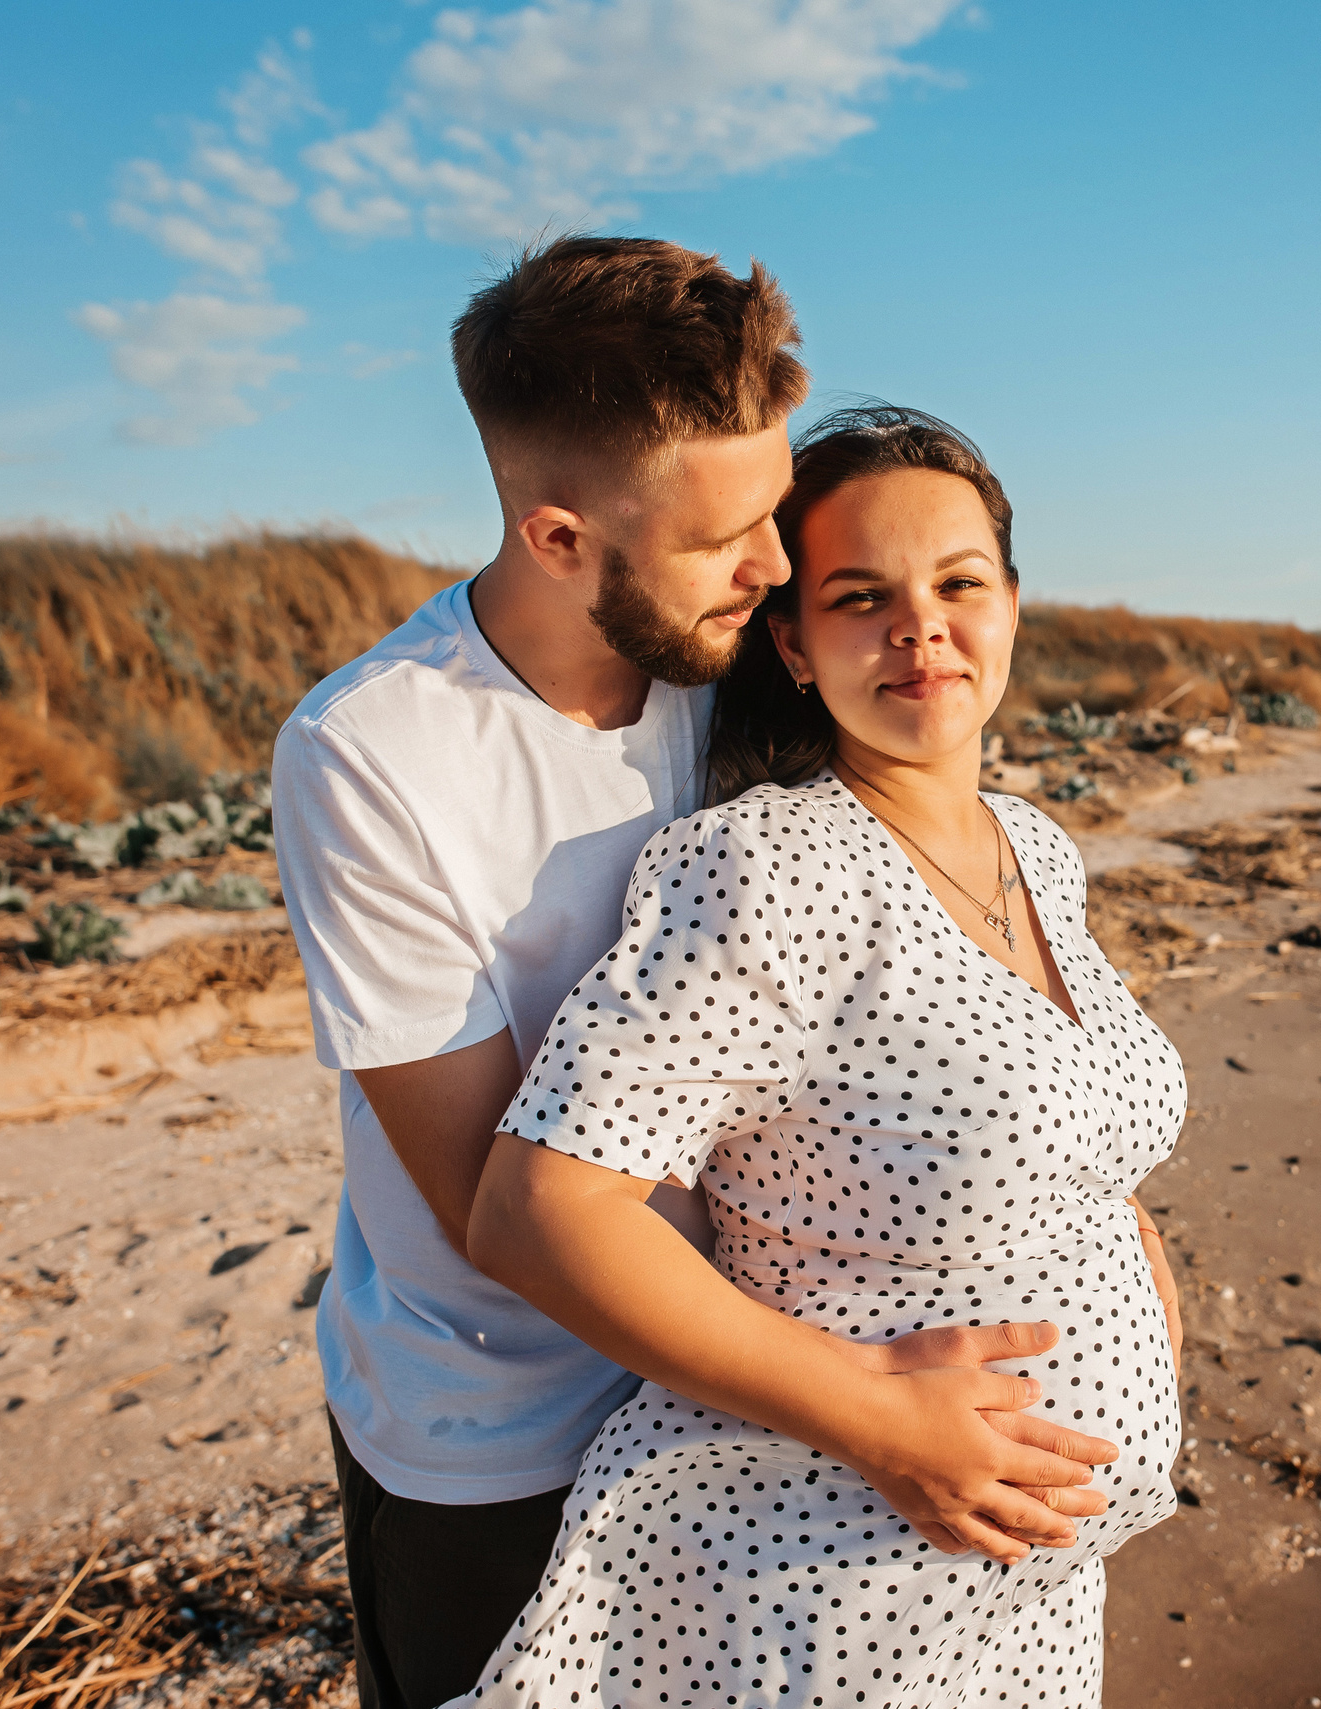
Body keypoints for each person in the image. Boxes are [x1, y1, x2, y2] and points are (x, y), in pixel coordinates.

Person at [273, 245, 1119, 1709]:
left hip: (768, 1414)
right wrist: (867, 1410)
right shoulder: (373, 756)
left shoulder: (728, 650)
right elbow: (499, 1208)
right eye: (729, 535)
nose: (778, 569)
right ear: (556, 538)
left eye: (774, 516)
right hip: (506, 1426)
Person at [448, 407, 1189, 1708]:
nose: (922, 629)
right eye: (862, 597)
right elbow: (536, 1212)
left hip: (1035, 1591)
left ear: (1012, 603)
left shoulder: (1037, 849)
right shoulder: (772, 870)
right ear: (791, 641)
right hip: (836, 1599)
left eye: (960, 583)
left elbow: (1079, 1139)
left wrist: (1154, 1321)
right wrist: (882, 1422)